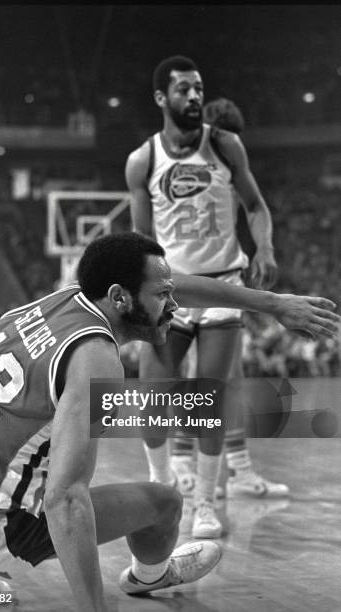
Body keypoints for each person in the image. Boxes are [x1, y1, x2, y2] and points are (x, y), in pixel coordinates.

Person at [0, 233, 339, 612]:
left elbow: (179, 285)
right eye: (163, 296)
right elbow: (65, 500)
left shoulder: (63, 301)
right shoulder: (95, 356)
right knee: (165, 503)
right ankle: (148, 577)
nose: (175, 306)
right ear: (119, 297)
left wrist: (273, 304)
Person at [126, 55, 286, 539]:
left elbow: (255, 206)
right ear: (161, 98)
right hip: (168, 288)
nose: (194, 97)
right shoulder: (143, 160)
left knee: (210, 398)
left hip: (221, 284)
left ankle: (204, 504)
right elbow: (140, 239)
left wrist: (266, 245)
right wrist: (142, 300)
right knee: (153, 398)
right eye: (183, 90)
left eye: (198, 88)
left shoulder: (225, 145)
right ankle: (161, 488)